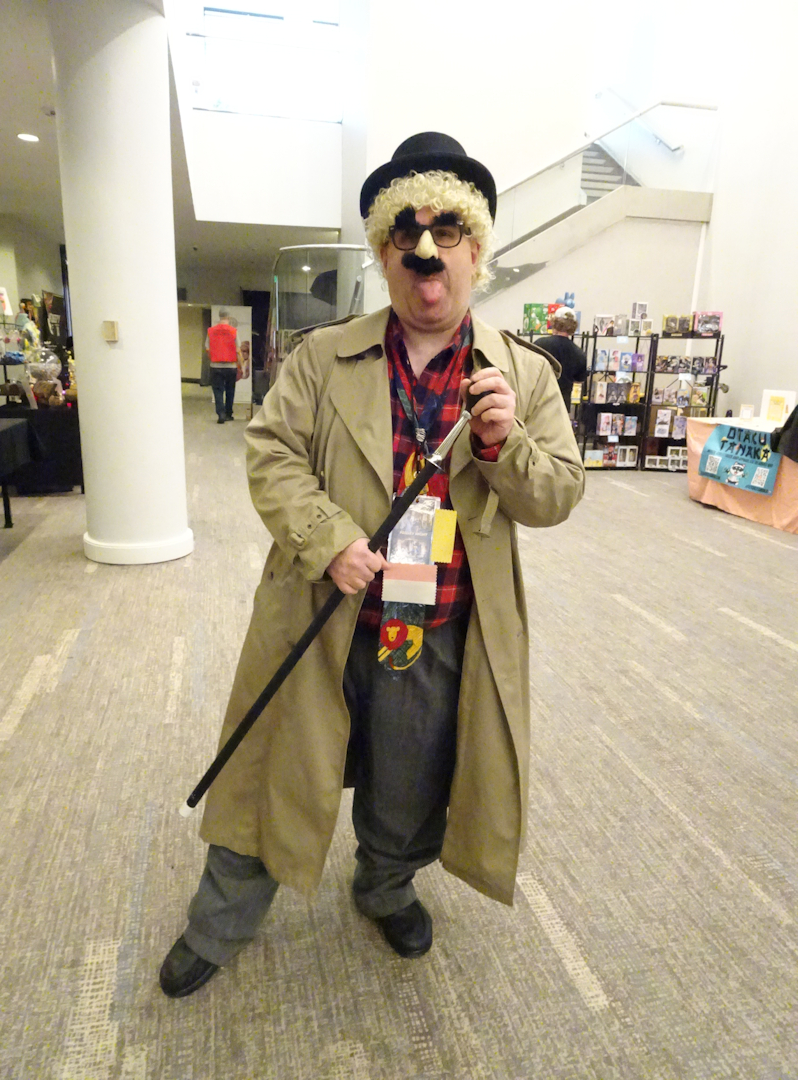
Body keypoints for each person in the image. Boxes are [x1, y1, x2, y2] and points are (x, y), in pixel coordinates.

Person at [160, 132, 585, 998]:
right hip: (321, 613)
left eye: (447, 239)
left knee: (410, 785)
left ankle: (385, 887)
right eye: (408, 242)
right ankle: (219, 923)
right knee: (273, 770)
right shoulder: (322, 357)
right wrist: (328, 539)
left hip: (437, 630)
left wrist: (503, 444)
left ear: (475, 253)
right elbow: (271, 451)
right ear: (386, 255)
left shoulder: (525, 375)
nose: (428, 263)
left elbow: (556, 495)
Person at [534, 307, 588, 411]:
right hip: (562, 405)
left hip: (539, 402)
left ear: (554, 322)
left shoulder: (540, 344)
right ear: (574, 326)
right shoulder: (579, 353)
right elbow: (579, 379)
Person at [206, 310, 239, 423]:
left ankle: (221, 414)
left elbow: (207, 348)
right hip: (231, 366)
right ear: (228, 317)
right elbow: (238, 350)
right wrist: (241, 365)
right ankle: (228, 413)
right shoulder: (233, 331)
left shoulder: (211, 331)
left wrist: (213, 358)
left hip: (215, 366)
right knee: (230, 390)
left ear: (219, 317)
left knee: (218, 390)